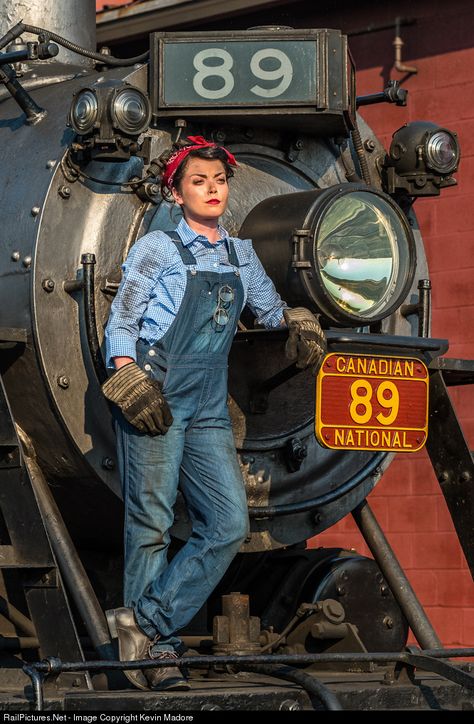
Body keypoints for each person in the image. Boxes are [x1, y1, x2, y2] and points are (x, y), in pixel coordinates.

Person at [102, 136, 327, 691]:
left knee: (228, 524)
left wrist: (298, 319)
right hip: (154, 391)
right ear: (177, 194)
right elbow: (122, 322)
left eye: (219, 181)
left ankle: (146, 624)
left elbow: (269, 311)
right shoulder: (157, 248)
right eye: (198, 182)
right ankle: (156, 657)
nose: (212, 190)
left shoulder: (240, 254)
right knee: (151, 524)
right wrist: (127, 376)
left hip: (206, 405)